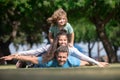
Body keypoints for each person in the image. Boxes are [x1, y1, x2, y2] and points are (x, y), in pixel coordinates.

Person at [12, 29, 108, 68]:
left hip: (54, 62)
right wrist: (18, 55)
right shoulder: (50, 47)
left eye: (64, 40)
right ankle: (26, 63)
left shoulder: (71, 49)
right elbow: (34, 52)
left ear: (67, 41)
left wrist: (97, 63)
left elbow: (84, 58)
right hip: (44, 59)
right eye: (60, 40)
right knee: (35, 59)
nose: (62, 42)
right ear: (56, 41)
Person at [1, 46, 81, 68]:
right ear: (56, 56)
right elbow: (31, 58)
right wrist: (13, 57)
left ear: (67, 57)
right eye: (60, 57)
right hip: (37, 65)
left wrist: (91, 63)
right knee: (32, 62)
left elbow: (85, 63)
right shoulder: (48, 61)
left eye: (64, 57)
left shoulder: (72, 61)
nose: (62, 59)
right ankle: (24, 64)